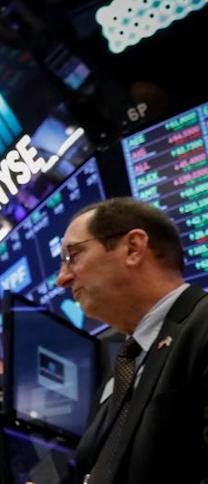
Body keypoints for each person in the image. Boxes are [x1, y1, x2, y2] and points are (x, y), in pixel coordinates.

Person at [56, 197, 207, 483]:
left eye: (72, 256)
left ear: (133, 248)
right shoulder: (124, 368)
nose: (61, 279)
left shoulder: (202, 325)